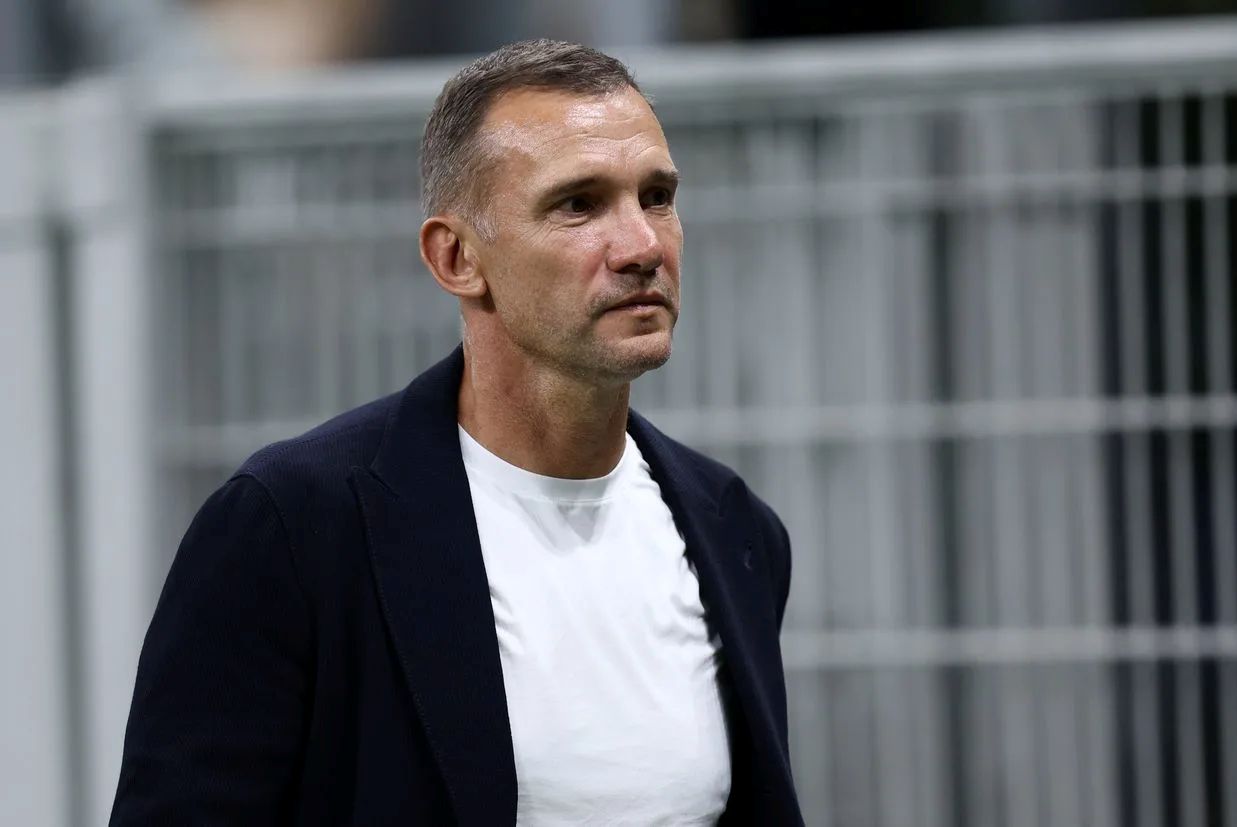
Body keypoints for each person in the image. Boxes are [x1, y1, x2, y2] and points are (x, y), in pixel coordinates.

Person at [110, 39, 803, 826]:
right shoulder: (295, 529)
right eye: (578, 204)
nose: (642, 245)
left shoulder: (736, 530)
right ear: (456, 257)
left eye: (657, 196)